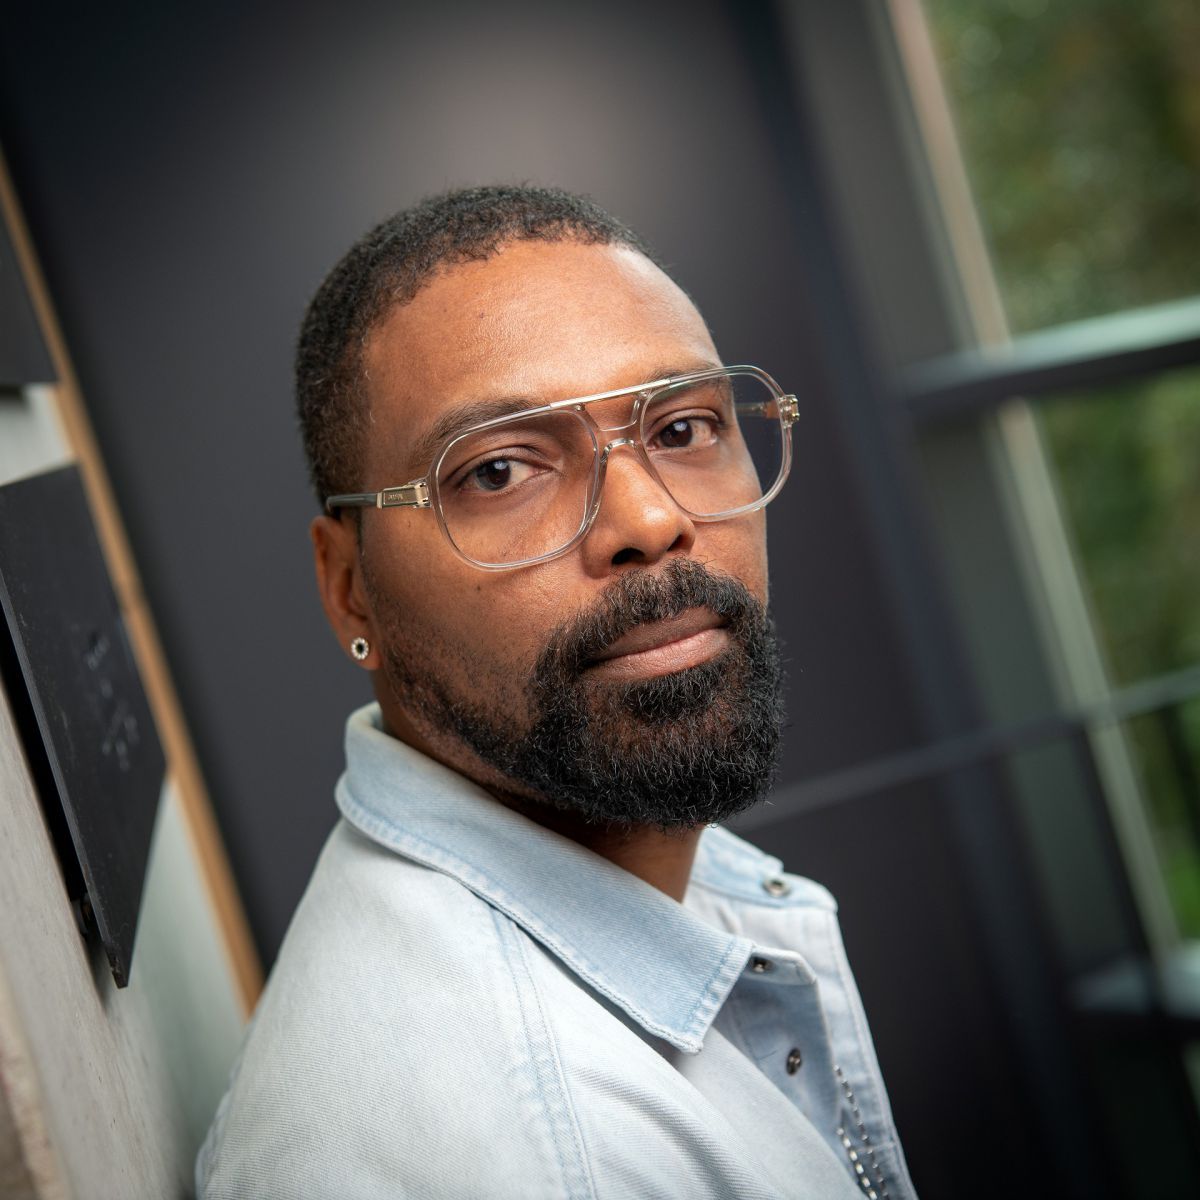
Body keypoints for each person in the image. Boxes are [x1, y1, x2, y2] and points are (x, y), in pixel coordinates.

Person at [196, 185, 917, 1199]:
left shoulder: (645, 862)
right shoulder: (531, 1157)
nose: (650, 520)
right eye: (499, 471)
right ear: (349, 585)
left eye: (683, 427)